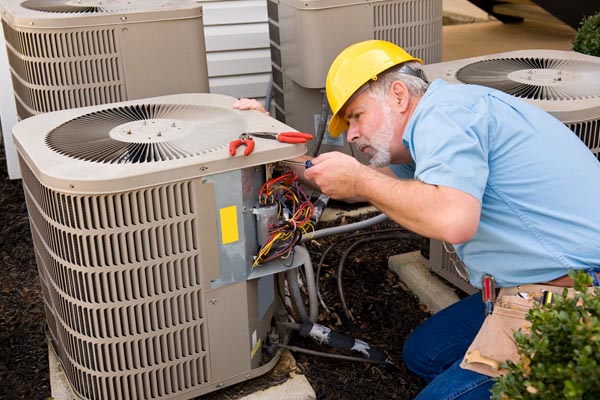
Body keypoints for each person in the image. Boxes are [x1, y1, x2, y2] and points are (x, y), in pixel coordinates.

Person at [301, 39, 600, 399]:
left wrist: (362, 179)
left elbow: (452, 220)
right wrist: (286, 157)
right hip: (536, 279)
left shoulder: (445, 116)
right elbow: (390, 187)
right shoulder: (434, 122)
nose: (350, 134)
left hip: (574, 294)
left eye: (356, 116)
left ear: (398, 95)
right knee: (424, 354)